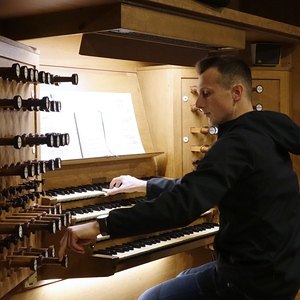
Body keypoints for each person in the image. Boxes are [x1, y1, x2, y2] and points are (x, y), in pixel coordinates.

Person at [58, 55, 300, 300]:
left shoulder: (236, 144)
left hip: (252, 284)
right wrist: (145, 185)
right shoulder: (265, 131)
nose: (198, 103)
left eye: (206, 93)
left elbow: (181, 207)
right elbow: (204, 186)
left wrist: (100, 225)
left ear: (236, 92)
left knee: (149, 298)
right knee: (183, 277)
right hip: (280, 272)